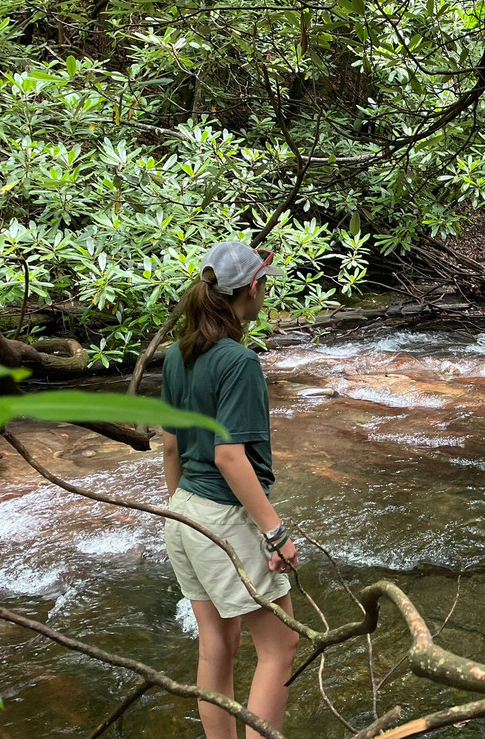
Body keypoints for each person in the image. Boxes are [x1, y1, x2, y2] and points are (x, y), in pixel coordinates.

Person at [161, 240, 299, 739]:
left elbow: (171, 449)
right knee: (280, 645)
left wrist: (179, 511)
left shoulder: (179, 357)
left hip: (184, 515)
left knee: (217, 645)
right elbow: (229, 456)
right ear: (253, 289)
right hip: (222, 517)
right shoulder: (239, 362)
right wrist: (275, 532)